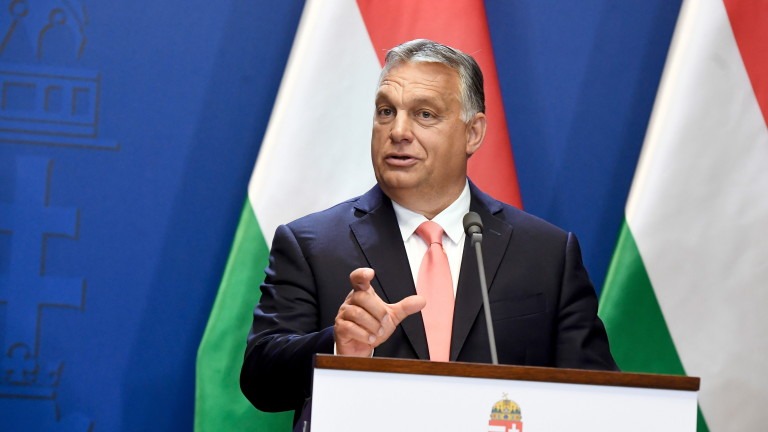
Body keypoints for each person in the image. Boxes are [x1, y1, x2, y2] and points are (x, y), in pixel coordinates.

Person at [240, 39, 616, 424]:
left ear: (473, 133)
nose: (398, 131)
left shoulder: (546, 253)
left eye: (424, 114)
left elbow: (597, 398)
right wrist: (339, 346)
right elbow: (259, 380)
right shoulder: (312, 245)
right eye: (386, 111)